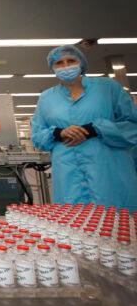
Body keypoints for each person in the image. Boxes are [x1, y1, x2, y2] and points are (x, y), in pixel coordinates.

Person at [31, 45, 137, 210]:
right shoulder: (46, 98)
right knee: (75, 223)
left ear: (81, 63)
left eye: (71, 61)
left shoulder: (107, 88)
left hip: (108, 169)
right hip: (68, 172)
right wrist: (59, 133)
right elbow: (37, 135)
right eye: (59, 63)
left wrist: (95, 129)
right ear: (52, 68)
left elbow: (132, 124)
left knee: (117, 223)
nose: (66, 66)